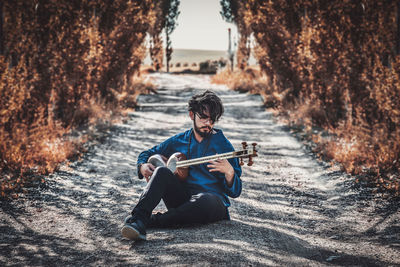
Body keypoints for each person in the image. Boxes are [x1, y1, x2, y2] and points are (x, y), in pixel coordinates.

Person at [121, 90, 242, 241]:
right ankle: (138, 220)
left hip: (210, 204)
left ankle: (150, 221)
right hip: (182, 201)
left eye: (212, 120)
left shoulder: (224, 145)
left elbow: (236, 191)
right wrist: (142, 166)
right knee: (161, 172)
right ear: (192, 115)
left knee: (207, 200)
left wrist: (230, 172)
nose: (208, 123)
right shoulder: (180, 140)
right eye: (203, 118)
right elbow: (147, 153)